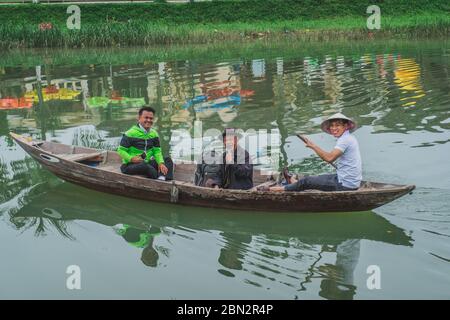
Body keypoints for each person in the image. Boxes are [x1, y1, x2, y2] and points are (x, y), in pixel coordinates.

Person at [270, 113, 361, 192]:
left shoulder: (344, 140)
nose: (334, 128)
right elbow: (331, 157)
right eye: (332, 125)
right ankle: (296, 184)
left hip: (345, 185)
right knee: (313, 178)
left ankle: (277, 189)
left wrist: (313, 146)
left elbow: (329, 158)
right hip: (347, 180)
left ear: (345, 126)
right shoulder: (348, 137)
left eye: (337, 125)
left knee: (307, 181)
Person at [118, 106, 173, 180]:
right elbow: (121, 150)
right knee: (145, 167)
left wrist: (160, 163)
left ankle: (162, 177)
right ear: (139, 118)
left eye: (151, 118)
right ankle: (159, 178)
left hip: (146, 162)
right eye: (146, 118)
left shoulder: (154, 134)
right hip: (129, 165)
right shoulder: (130, 133)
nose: (149, 120)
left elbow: (157, 151)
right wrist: (131, 159)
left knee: (167, 160)